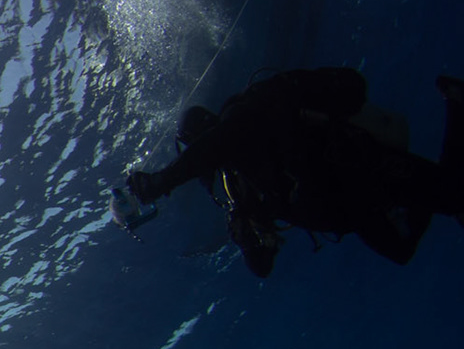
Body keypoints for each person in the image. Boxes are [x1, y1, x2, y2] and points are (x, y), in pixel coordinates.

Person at [121, 68, 464, 276]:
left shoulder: (242, 121)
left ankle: (456, 103)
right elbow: (262, 268)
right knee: (404, 246)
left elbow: (221, 142)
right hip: (351, 205)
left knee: (453, 197)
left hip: (363, 169)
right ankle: (455, 103)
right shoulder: (239, 185)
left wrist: (161, 180)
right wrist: (249, 245)